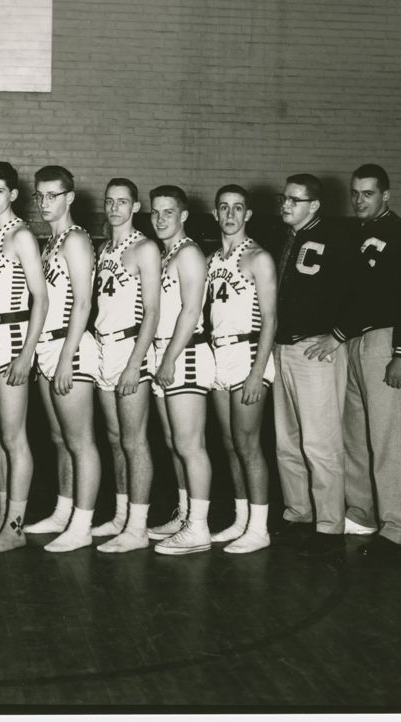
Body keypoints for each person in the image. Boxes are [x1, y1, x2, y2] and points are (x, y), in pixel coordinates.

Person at [335, 164, 401, 558]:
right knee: (355, 435)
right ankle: (361, 513)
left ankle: (397, 526)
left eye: (368, 193)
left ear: (386, 195)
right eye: (355, 193)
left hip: (385, 340)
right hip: (352, 341)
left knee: (388, 438)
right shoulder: (356, 235)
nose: (359, 200)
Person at [272, 173, 351, 559]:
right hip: (282, 349)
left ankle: (329, 525)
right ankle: (299, 512)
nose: (285, 204)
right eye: (284, 198)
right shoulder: (288, 238)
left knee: (320, 443)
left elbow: (360, 290)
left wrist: (337, 335)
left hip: (314, 353)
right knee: (287, 441)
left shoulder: (335, 239)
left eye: (294, 200)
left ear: (314, 205)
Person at [0, 162, 48, 554]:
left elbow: (42, 298)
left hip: (13, 336)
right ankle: (4, 517)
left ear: (13, 195)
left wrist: (26, 353)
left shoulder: (21, 236)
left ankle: (15, 528)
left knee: (15, 437)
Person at [28, 165, 101, 552]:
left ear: (69, 197)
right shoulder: (49, 243)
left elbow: (84, 302)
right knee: (59, 439)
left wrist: (67, 357)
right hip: (48, 348)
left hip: (70, 348)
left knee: (80, 441)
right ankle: (64, 509)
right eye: (39, 195)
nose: (44, 202)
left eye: (52, 195)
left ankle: (83, 524)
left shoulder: (74, 240)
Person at [206, 184, 277, 555]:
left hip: (250, 354)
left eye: (238, 208)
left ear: (248, 214)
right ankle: (240, 517)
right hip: (220, 354)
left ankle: (260, 528)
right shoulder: (213, 259)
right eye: (223, 208)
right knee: (231, 443)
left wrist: (257, 371)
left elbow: (271, 319)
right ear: (216, 214)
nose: (230, 215)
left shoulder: (259, 258)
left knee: (249, 443)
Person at [92, 178, 160, 553]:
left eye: (123, 202)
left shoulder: (144, 248)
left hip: (132, 348)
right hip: (104, 347)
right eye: (110, 201)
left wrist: (135, 363)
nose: (115, 208)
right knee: (116, 439)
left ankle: (138, 526)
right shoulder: (105, 248)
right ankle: (121, 515)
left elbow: (152, 310)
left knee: (135, 441)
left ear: (135, 207)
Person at [148, 186, 216, 556]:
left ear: (183, 215)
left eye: (168, 212)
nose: (160, 219)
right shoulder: (165, 254)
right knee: (176, 443)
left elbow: (191, 312)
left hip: (185, 354)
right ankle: (186, 513)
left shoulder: (188, 253)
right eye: (155, 212)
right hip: (165, 354)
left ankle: (199, 528)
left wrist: (171, 358)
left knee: (191, 445)